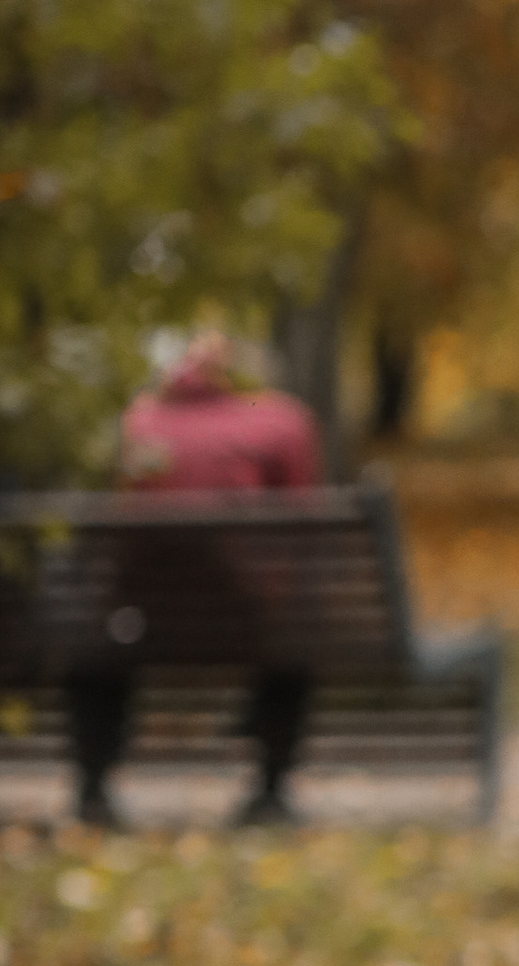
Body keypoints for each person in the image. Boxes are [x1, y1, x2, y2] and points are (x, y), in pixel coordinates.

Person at [67, 331, 325, 831]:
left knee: (95, 637)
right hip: (247, 622)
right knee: (293, 633)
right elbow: (301, 519)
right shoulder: (282, 420)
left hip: (144, 622)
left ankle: (92, 789)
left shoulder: (137, 423)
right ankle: (269, 793)